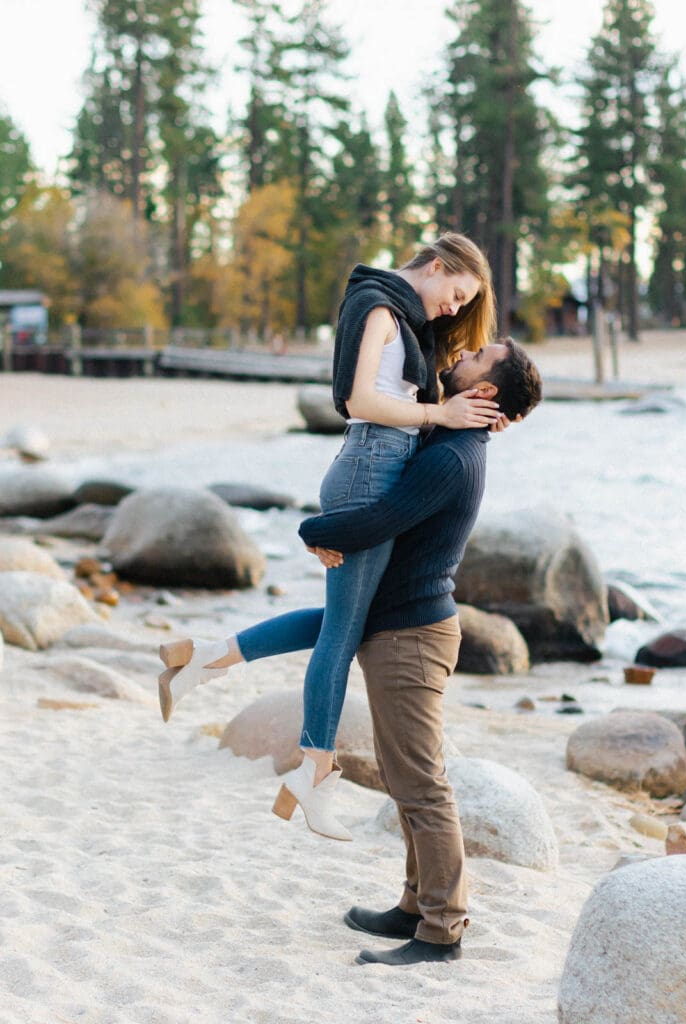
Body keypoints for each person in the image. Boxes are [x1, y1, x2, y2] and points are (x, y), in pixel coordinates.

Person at [158, 339, 542, 967]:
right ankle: (415, 904)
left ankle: (443, 929)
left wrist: (310, 530)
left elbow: (381, 518)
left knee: (422, 784)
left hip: (412, 639)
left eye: (480, 353)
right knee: (405, 777)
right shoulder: (451, 438)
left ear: (488, 391)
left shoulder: (455, 456)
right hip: (399, 630)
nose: (468, 349)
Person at [158, 233, 502, 841]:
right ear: (437, 266)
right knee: (344, 631)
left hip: (378, 466)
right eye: (455, 294)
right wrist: (438, 415)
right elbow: (356, 398)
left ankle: (204, 658)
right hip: (368, 467)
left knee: (347, 619)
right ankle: (313, 770)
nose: (452, 308)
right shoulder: (375, 305)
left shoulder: (402, 312)